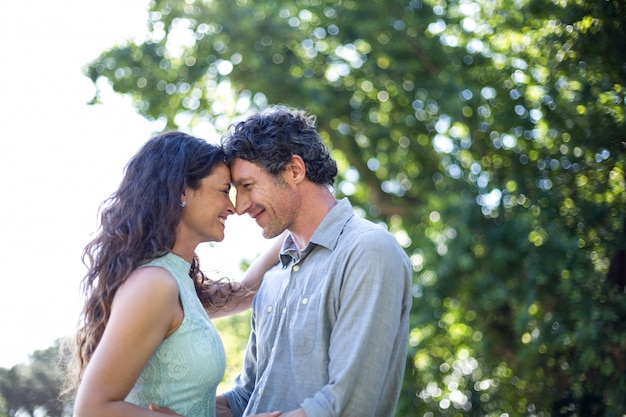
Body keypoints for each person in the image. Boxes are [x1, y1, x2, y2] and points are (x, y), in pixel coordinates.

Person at [216, 106, 413, 417]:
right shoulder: (274, 278)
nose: (239, 207)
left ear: (294, 170)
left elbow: (347, 405)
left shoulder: (368, 250)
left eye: (247, 186)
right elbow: (249, 397)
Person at [69, 131, 281, 417]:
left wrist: (293, 229)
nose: (232, 207)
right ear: (182, 191)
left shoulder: (177, 281)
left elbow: (245, 289)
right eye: (223, 190)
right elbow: (92, 409)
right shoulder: (154, 284)